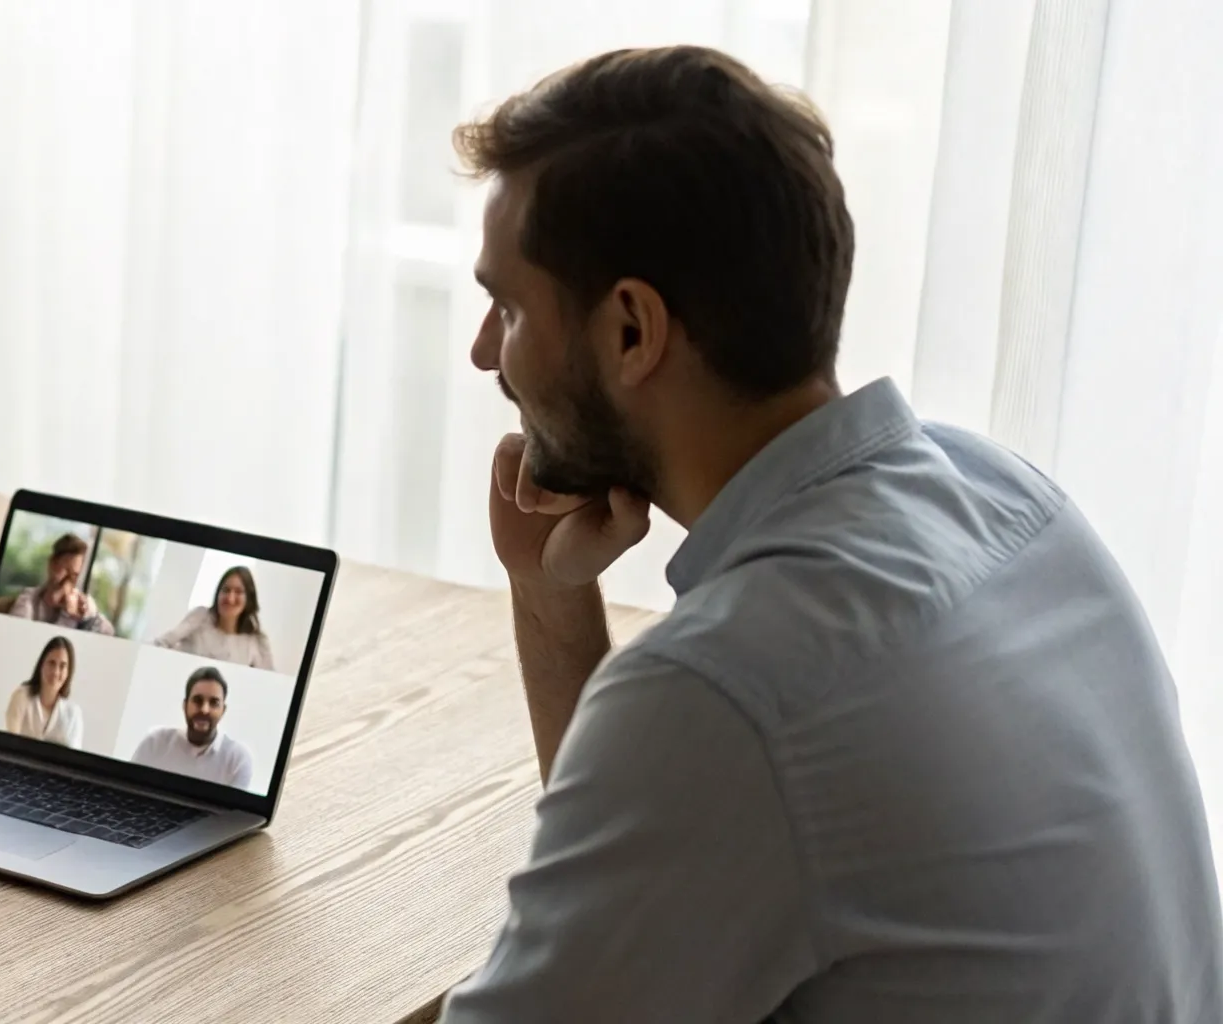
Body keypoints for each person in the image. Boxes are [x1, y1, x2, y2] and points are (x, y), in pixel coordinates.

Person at [445, 46, 1221, 1022]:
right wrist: (547, 591)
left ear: (631, 331)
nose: (484, 352)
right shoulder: (1011, 501)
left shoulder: (729, 689)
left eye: (507, 307)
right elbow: (649, 906)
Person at [128, 668, 254, 789]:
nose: (204, 710)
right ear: (185, 705)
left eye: (214, 703)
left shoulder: (238, 759)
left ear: (223, 710)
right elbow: (129, 788)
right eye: (197, 700)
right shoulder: (155, 742)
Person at [153, 566, 275, 670]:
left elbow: (269, 682)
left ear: (249, 598)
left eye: (238, 592)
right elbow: (160, 643)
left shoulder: (257, 641)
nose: (230, 598)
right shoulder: (200, 617)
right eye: (226, 590)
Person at [0, 533, 113, 634]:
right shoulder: (28, 600)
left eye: (75, 575)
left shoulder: (83, 604)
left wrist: (87, 617)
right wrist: (67, 617)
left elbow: (109, 632)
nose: (69, 580)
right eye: (66, 570)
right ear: (52, 563)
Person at [5, 636, 85, 747]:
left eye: (62, 666)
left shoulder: (73, 713)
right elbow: (9, 744)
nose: (56, 672)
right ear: (41, 665)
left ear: (68, 672)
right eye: (51, 663)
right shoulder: (21, 697)